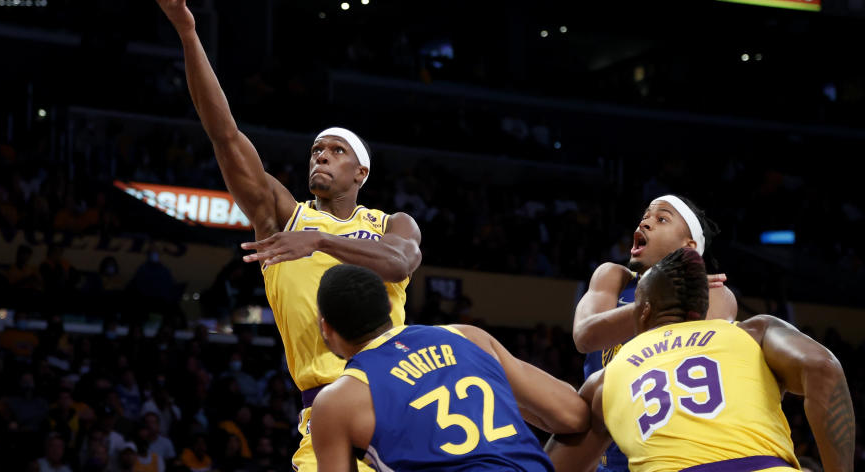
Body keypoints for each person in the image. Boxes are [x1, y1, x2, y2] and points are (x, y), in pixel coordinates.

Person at [137, 0, 423, 472]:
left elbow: (400, 264)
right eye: (316, 150)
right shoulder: (281, 218)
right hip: (329, 416)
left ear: (361, 171)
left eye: (335, 151)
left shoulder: (391, 222)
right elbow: (224, 133)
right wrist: (187, 31)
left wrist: (321, 243)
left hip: (403, 406)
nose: (320, 156)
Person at [546, 249, 853, 472]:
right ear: (701, 310)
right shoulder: (753, 332)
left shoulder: (607, 377)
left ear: (642, 311)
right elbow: (822, 368)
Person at [309, 264, 589, 472]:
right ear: (389, 307)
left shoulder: (337, 401)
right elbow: (575, 417)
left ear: (326, 326)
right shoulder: (466, 336)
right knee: (598, 390)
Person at [572, 195, 738, 472]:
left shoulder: (715, 294)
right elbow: (584, 336)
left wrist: (673, 294)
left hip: (670, 456)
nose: (646, 222)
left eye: (662, 219)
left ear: (690, 246)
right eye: (646, 215)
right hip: (601, 455)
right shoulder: (612, 276)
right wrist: (658, 298)